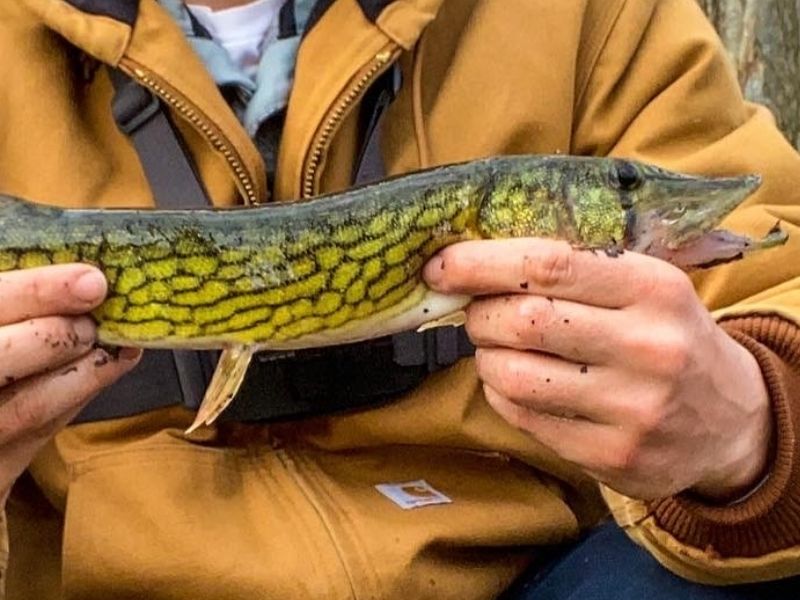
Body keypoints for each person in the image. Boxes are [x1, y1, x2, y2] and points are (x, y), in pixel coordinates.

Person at [1, 0, 800, 598]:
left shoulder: (592, 15)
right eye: (619, 190)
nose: (631, 201)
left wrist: (755, 420)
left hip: (536, 575)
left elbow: (777, 258)